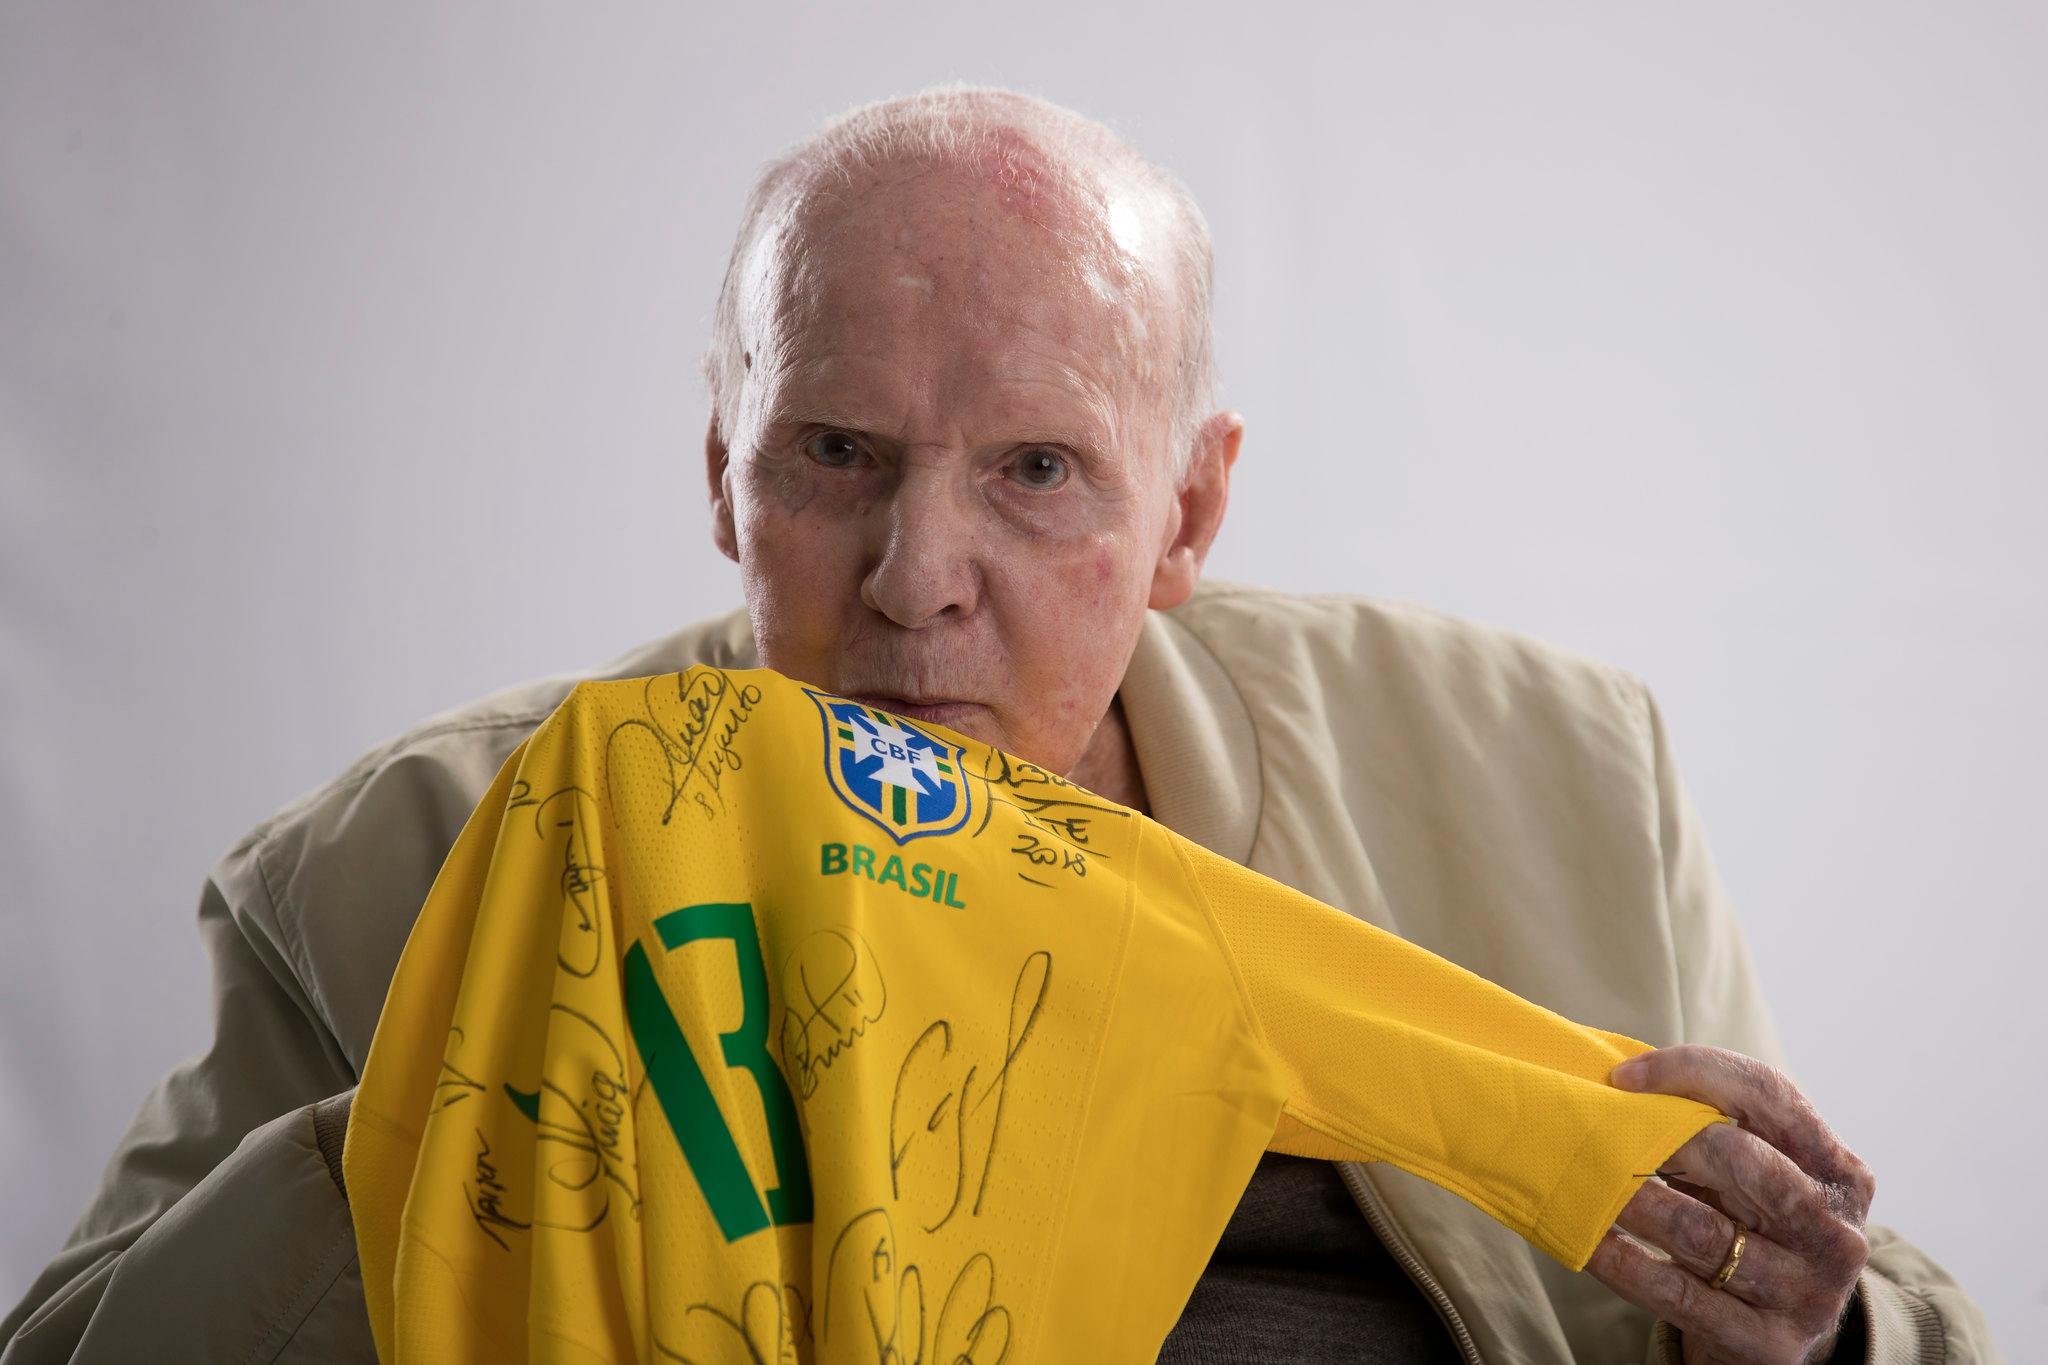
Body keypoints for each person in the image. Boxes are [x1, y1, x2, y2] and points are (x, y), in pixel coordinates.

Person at [0, 85, 1998, 1365]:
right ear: (723, 473)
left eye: (1037, 470)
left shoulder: (1557, 779)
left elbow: (1908, 1317)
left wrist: (1802, 1334)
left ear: (1188, 514)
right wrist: (449, 1121)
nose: (915, 577)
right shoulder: (391, 868)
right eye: (836, 453)